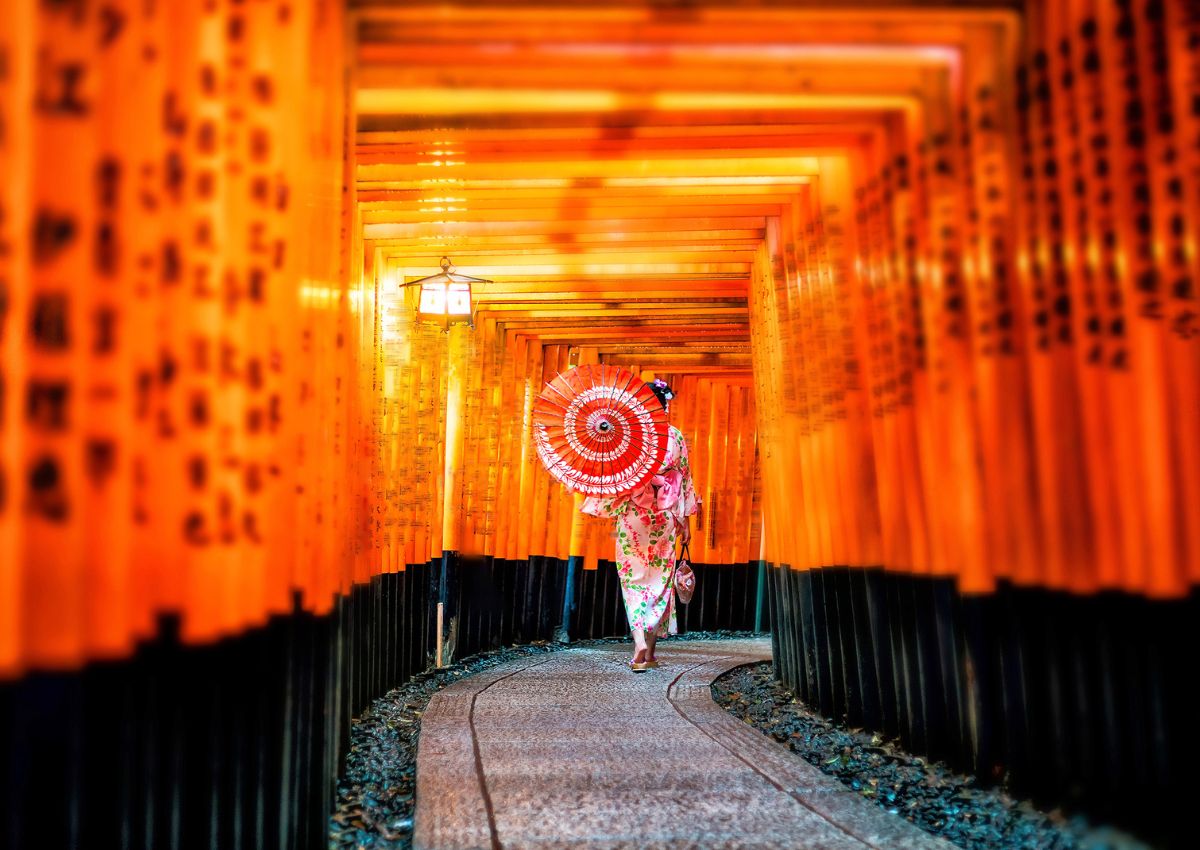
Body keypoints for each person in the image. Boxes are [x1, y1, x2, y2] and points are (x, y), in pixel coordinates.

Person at [580, 378, 699, 671]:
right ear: (664, 405)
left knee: (634, 581)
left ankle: (638, 645)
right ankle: (650, 654)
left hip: (634, 516)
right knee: (660, 580)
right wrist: (684, 519)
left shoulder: (629, 437)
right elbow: (683, 478)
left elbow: (613, 477)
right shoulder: (675, 436)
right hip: (665, 515)